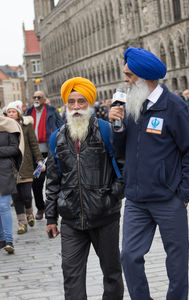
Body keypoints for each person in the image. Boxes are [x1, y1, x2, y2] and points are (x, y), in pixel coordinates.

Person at [108, 47, 189, 300]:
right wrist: (115, 125)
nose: (125, 79)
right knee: (129, 255)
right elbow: (119, 150)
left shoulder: (174, 106)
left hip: (169, 198)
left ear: (143, 75)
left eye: (129, 75)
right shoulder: (131, 107)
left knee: (177, 260)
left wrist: (183, 194)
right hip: (137, 200)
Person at [45, 77, 125, 300]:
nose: (77, 107)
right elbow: (53, 181)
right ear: (66, 105)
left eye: (81, 101)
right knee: (71, 276)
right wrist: (51, 217)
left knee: (112, 274)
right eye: (72, 102)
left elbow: (125, 169)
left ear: (90, 103)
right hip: (71, 219)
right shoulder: (57, 138)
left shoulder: (107, 132)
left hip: (105, 216)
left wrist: (110, 198)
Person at [7, 100, 44, 234]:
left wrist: (39, 160)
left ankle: (29, 212)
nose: (11, 114)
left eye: (13, 112)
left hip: (26, 164)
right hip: (11, 167)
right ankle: (22, 223)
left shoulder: (27, 126)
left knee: (27, 194)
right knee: (16, 196)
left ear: (18, 113)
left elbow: (34, 144)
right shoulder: (5, 126)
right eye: (9, 112)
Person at [26, 91, 64, 220]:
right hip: (34, 152)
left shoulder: (52, 111)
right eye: (34, 97)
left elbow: (61, 126)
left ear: (44, 99)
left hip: (49, 151)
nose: (36, 99)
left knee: (52, 180)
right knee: (36, 182)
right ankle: (40, 208)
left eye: (39, 97)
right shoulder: (28, 112)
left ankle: (53, 208)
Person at [0, 107, 24, 254]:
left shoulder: (9, 125)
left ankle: (9, 240)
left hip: (5, 170)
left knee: (3, 206)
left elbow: (15, 149)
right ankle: (2, 239)